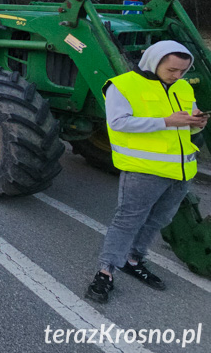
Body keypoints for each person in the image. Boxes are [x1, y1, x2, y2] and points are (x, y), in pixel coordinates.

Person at [85, 40, 207, 304]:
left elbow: (185, 129)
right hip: (144, 170)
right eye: (172, 70)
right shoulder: (122, 85)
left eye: (183, 71)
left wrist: (196, 122)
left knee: (159, 220)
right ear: (155, 60)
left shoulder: (183, 87)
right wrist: (166, 121)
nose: (178, 76)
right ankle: (105, 271)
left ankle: (133, 259)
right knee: (127, 221)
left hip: (181, 171)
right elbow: (118, 123)